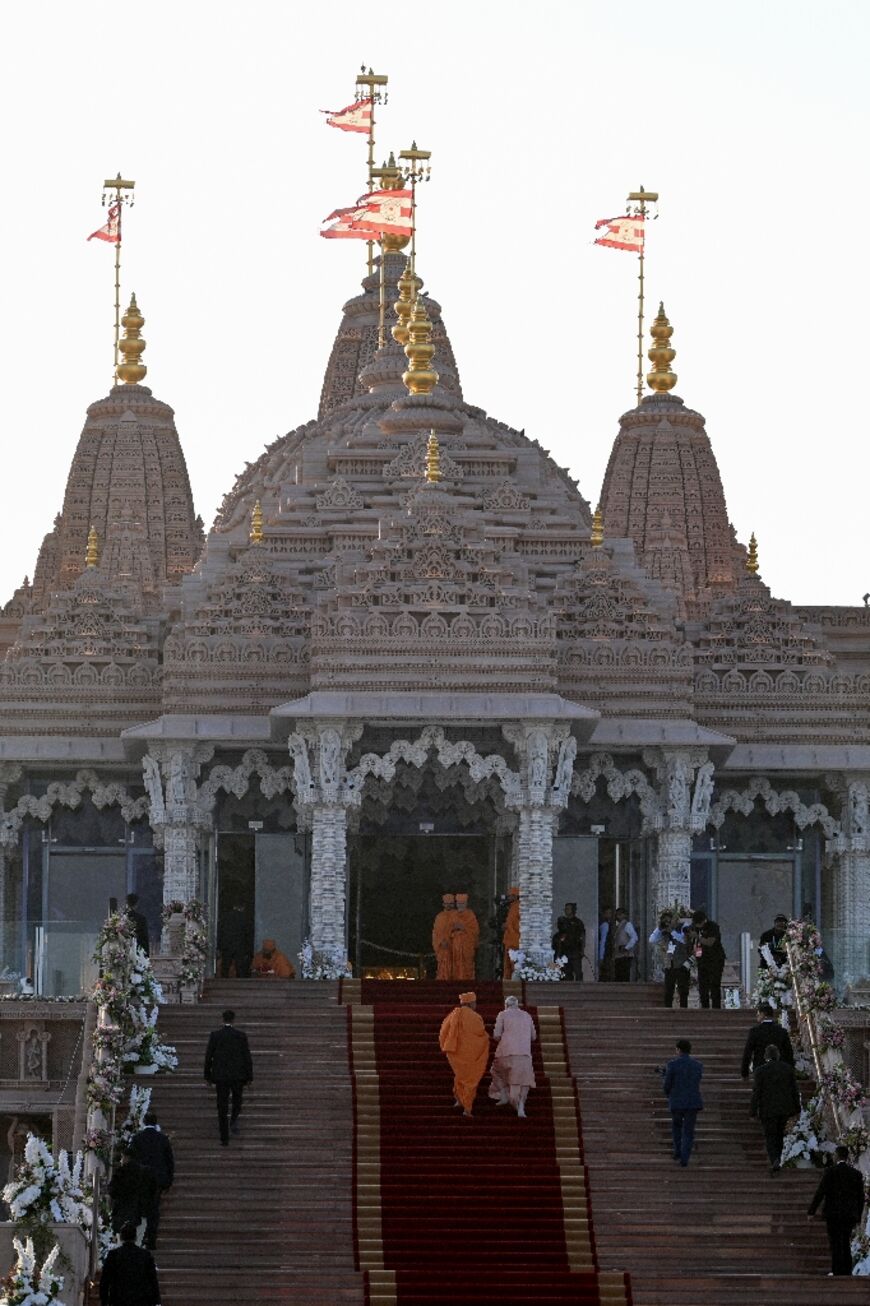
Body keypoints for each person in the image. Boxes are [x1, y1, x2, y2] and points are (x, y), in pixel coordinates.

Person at [807, 1143, 865, 1275]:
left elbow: (820, 1192)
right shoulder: (856, 1174)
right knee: (845, 1241)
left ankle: (837, 1270)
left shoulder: (830, 1172)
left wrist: (811, 1211)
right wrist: (858, 1216)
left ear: (836, 1156)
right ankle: (846, 1270)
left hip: (833, 1214)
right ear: (847, 1156)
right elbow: (860, 1198)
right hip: (849, 1214)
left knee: (835, 1243)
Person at [204, 1008, 253, 1145]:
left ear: (223, 1019)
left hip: (221, 1077)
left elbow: (209, 1056)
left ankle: (224, 1137)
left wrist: (207, 1076)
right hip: (238, 1076)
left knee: (222, 1106)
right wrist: (249, 1077)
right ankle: (233, 1119)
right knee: (237, 1101)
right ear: (233, 1020)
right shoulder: (241, 1035)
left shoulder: (215, 1035)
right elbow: (246, 1057)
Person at [438, 991, 490, 1118]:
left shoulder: (452, 1015)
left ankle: (459, 1100)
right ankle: (467, 1108)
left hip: (455, 1053)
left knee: (460, 1076)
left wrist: (447, 1047)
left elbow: (443, 1032)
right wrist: (487, 1038)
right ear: (471, 1003)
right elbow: (480, 1033)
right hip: (471, 1054)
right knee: (470, 1080)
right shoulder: (475, 1017)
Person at [751, 1044, 801, 1174]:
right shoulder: (787, 1069)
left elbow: (756, 1092)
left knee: (770, 1136)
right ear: (778, 1055)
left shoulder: (760, 1071)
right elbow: (794, 1090)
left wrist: (753, 1110)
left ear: (766, 1056)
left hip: (767, 1109)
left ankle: (774, 1159)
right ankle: (778, 1157)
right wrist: (797, 1108)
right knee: (780, 1134)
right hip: (785, 1108)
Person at [128, 1110, 174, 1249]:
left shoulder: (137, 1138)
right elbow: (169, 1162)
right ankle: (151, 1238)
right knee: (154, 1209)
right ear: (156, 1123)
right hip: (157, 1180)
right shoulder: (163, 1139)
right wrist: (168, 1181)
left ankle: (139, 1237)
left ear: (144, 1122)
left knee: (140, 1209)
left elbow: (132, 1160)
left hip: (141, 1179)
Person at [489, 995, 537, 1117]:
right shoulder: (527, 1015)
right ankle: (521, 1106)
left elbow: (496, 1035)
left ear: (506, 1005)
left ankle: (504, 1095)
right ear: (517, 1005)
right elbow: (533, 1037)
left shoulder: (502, 1014)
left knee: (496, 1071)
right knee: (524, 1081)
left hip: (505, 1052)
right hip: (524, 1053)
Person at [663, 1038, 703, 1168]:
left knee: (676, 1127)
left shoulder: (672, 1065)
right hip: (692, 1102)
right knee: (689, 1131)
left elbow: (667, 1084)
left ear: (678, 1050)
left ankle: (677, 1151)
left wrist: (668, 1093)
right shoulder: (698, 1065)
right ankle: (685, 1157)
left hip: (677, 1101)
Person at [100, 1221, 161, 1306]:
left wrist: (104, 1300)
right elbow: (152, 1280)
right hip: (141, 1300)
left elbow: (105, 1281)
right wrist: (156, 1301)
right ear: (135, 1237)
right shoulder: (145, 1255)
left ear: (121, 1237)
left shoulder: (113, 1255)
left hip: (118, 1300)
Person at [108, 1151, 156, 1236]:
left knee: (122, 1243)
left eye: (122, 1158)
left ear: (127, 1158)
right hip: (140, 1213)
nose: (120, 1161)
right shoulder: (146, 1172)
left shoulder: (120, 1172)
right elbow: (152, 1191)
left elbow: (112, 1191)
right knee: (138, 1240)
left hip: (121, 1213)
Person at [649, 912, 691, 1008]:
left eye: (669, 921)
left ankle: (684, 1011)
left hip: (682, 963)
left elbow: (683, 940)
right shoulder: (664, 931)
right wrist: (659, 928)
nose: (667, 923)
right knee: (668, 990)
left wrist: (672, 931)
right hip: (669, 963)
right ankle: (668, 1010)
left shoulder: (682, 927)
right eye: (665, 921)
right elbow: (652, 940)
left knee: (683, 990)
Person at [741, 1004, 794, 1078]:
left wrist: (744, 1073)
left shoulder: (755, 1031)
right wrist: (790, 1071)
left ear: (763, 1014)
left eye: (758, 1014)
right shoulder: (782, 1031)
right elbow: (789, 1052)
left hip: (760, 1068)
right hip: (779, 1069)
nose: (757, 1016)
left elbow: (748, 1052)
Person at [691, 909, 726, 1009]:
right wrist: (696, 955)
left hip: (715, 959)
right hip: (702, 960)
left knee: (714, 984)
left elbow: (710, 942)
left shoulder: (712, 927)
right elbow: (697, 945)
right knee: (703, 986)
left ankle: (716, 1008)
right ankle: (704, 1008)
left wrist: (698, 937)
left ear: (703, 921)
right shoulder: (696, 928)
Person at [217, 902, 251, 979]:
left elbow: (220, 931)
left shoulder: (225, 917)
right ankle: (240, 981)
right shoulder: (244, 917)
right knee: (240, 966)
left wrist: (219, 945)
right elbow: (247, 933)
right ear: (242, 908)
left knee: (225, 965)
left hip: (227, 945)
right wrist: (248, 948)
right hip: (239, 945)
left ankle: (223, 980)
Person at [450, 892, 479, 980]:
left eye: (462, 903)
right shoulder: (453, 915)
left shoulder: (470, 915)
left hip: (467, 945)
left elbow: (475, 931)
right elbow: (447, 930)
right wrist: (454, 929)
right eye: (459, 903)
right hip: (455, 946)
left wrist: (463, 928)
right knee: (455, 965)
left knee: (467, 965)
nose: (460, 906)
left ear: (466, 904)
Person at [553, 903, 585, 981]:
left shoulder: (578, 922)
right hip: (564, 952)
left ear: (573, 910)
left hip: (575, 951)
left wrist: (582, 950)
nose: (566, 910)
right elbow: (560, 934)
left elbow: (582, 937)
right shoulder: (563, 921)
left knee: (577, 972)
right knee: (566, 973)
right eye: (565, 909)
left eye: (568, 909)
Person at [432, 893, 456, 980]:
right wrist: (441, 941)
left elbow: (459, 932)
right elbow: (436, 932)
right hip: (442, 948)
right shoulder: (439, 917)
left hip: (454, 947)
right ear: (443, 904)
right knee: (443, 968)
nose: (449, 906)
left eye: (451, 904)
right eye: (447, 904)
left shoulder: (457, 916)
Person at [612, 907, 638, 982]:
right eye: (617, 915)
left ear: (624, 915)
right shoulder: (618, 927)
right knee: (619, 975)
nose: (618, 917)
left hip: (625, 955)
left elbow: (634, 937)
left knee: (623, 974)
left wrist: (626, 947)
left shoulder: (627, 925)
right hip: (618, 955)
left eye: (620, 914)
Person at [502, 887, 520, 978]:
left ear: (515, 896)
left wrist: (507, 926)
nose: (508, 898)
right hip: (509, 940)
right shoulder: (511, 907)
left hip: (515, 941)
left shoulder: (518, 907)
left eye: (511, 896)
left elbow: (519, 925)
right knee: (508, 967)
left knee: (514, 966)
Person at [598, 906, 614, 981]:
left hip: (607, 951)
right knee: (606, 970)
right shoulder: (605, 925)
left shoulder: (608, 924)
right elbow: (603, 941)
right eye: (607, 913)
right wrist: (601, 956)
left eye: (610, 913)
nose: (609, 915)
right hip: (606, 952)